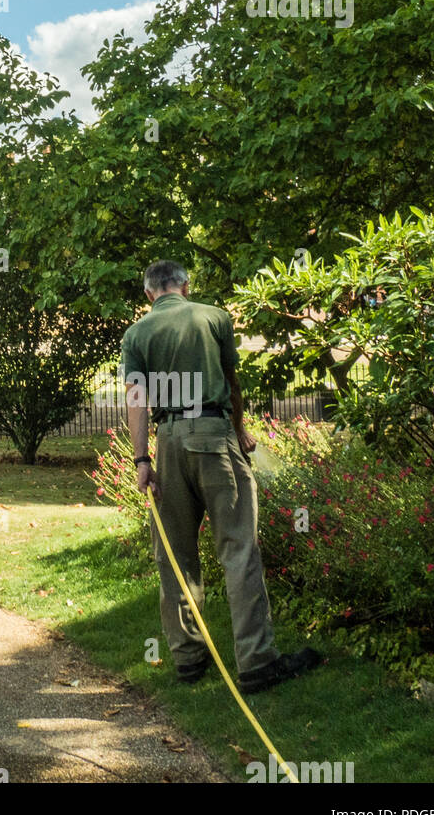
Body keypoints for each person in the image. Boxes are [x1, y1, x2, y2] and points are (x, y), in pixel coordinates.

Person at [122, 260, 322, 695]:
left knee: (174, 555)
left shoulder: (136, 335)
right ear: (185, 287)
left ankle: (189, 659)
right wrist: (241, 430)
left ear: (149, 294)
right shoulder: (214, 318)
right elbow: (231, 381)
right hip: (214, 437)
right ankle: (256, 663)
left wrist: (142, 460)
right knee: (238, 550)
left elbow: (136, 401)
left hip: (168, 440)